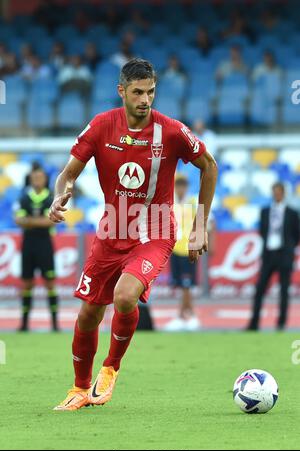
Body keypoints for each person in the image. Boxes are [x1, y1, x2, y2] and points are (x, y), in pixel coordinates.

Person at [49, 58, 217, 411]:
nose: (146, 99)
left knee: (125, 297)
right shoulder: (100, 126)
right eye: (138, 92)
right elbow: (68, 174)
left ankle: (110, 369)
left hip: (155, 230)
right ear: (121, 91)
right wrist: (60, 194)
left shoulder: (170, 131)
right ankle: (80, 388)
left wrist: (200, 224)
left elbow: (209, 166)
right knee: (88, 316)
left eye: (151, 92)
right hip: (112, 231)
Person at [165, 173, 216, 332]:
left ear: (186, 187)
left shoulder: (194, 202)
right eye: (178, 185)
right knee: (181, 285)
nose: (180, 188)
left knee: (187, 285)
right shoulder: (170, 203)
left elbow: (209, 222)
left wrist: (210, 242)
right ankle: (187, 315)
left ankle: (185, 315)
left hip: (189, 250)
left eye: (183, 185)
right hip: (174, 249)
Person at [248, 183, 300, 331]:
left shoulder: (292, 213)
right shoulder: (265, 211)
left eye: (278, 192)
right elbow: (262, 231)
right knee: (260, 289)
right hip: (269, 254)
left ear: (283, 193)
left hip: (284, 254)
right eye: (274, 192)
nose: (276, 195)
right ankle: (254, 323)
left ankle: (281, 323)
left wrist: (288, 249)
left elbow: (296, 235)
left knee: (284, 291)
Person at [14, 167, 59, 332]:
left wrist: (29, 221)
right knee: (27, 284)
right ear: (31, 179)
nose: (37, 180)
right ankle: (24, 324)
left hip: (45, 244)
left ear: (45, 179)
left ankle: (55, 325)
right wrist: (39, 221)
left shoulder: (50, 198)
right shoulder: (24, 198)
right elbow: (18, 220)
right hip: (28, 244)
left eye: (40, 177)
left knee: (50, 283)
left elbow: (50, 222)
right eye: (34, 178)